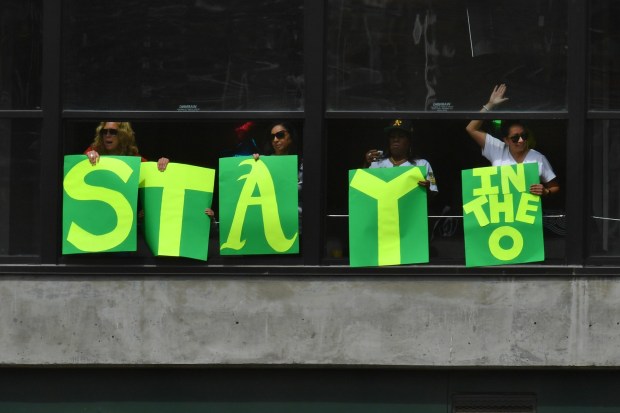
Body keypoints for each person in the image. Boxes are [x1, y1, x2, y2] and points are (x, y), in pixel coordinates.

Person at [465, 84, 560, 197]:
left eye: (524, 136)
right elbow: (471, 128)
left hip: (526, 213)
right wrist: (490, 105)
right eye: (515, 138)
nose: (521, 140)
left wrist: (546, 191)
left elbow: (555, 187)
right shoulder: (497, 149)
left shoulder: (538, 158)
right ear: (506, 140)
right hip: (499, 211)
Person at [363, 119, 438, 195]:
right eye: (392, 137)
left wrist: (426, 190)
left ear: (409, 141)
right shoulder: (376, 163)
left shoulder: (422, 164)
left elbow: (433, 194)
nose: (396, 139)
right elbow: (363, 189)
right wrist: (366, 164)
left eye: (401, 136)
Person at [84, 121, 169, 171]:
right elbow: (79, 165)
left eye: (113, 132)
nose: (107, 135)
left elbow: (151, 170)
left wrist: (162, 163)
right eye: (104, 132)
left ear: (122, 135)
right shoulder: (94, 150)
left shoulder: (132, 157)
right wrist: (87, 157)